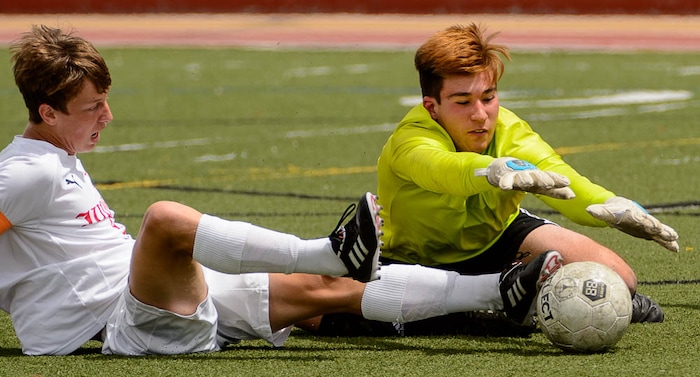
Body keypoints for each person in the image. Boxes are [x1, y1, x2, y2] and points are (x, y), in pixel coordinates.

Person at [0, 25, 564, 356]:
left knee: (329, 287)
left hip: (152, 301)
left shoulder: (57, 156)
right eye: (92, 108)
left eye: (104, 100)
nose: (108, 115)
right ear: (47, 112)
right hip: (116, 325)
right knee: (166, 218)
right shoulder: (29, 170)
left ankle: (499, 291)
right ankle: (328, 247)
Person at [310, 23, 679, 337]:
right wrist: (489, 171)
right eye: (463, 101)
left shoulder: (510, 130)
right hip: (410, 257)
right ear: (431, 106)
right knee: (309, 312)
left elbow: (566, 183)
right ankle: (479, 309)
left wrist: (617, 205)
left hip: (495, 239)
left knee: (620, 278)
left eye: (488, 97)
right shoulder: (412, 139)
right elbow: (442, 171)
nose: (480, 115)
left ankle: (486, 303)